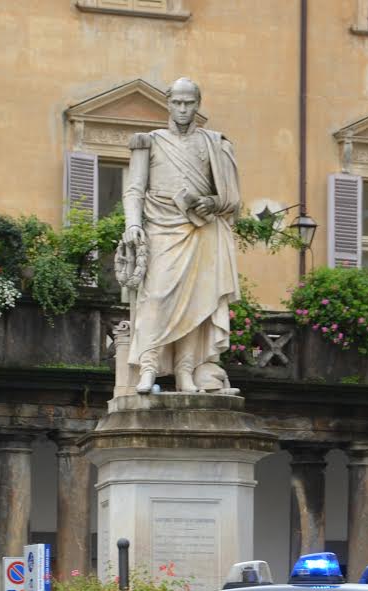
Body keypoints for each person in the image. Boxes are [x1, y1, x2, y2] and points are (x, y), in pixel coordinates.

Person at [115, 76, 243, 394]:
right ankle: (148, 368)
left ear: (198, 106)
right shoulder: (151, 141)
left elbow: (231, 198)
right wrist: (133, 225)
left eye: (189, 103)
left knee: (195, 306)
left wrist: (210, 201)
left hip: (200, 231)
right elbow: (134, 190)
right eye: (177, 103)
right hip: (160, 227)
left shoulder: (214, 143)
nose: (183, 109)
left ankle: (185, 373)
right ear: (168, 104)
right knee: (155, 300)